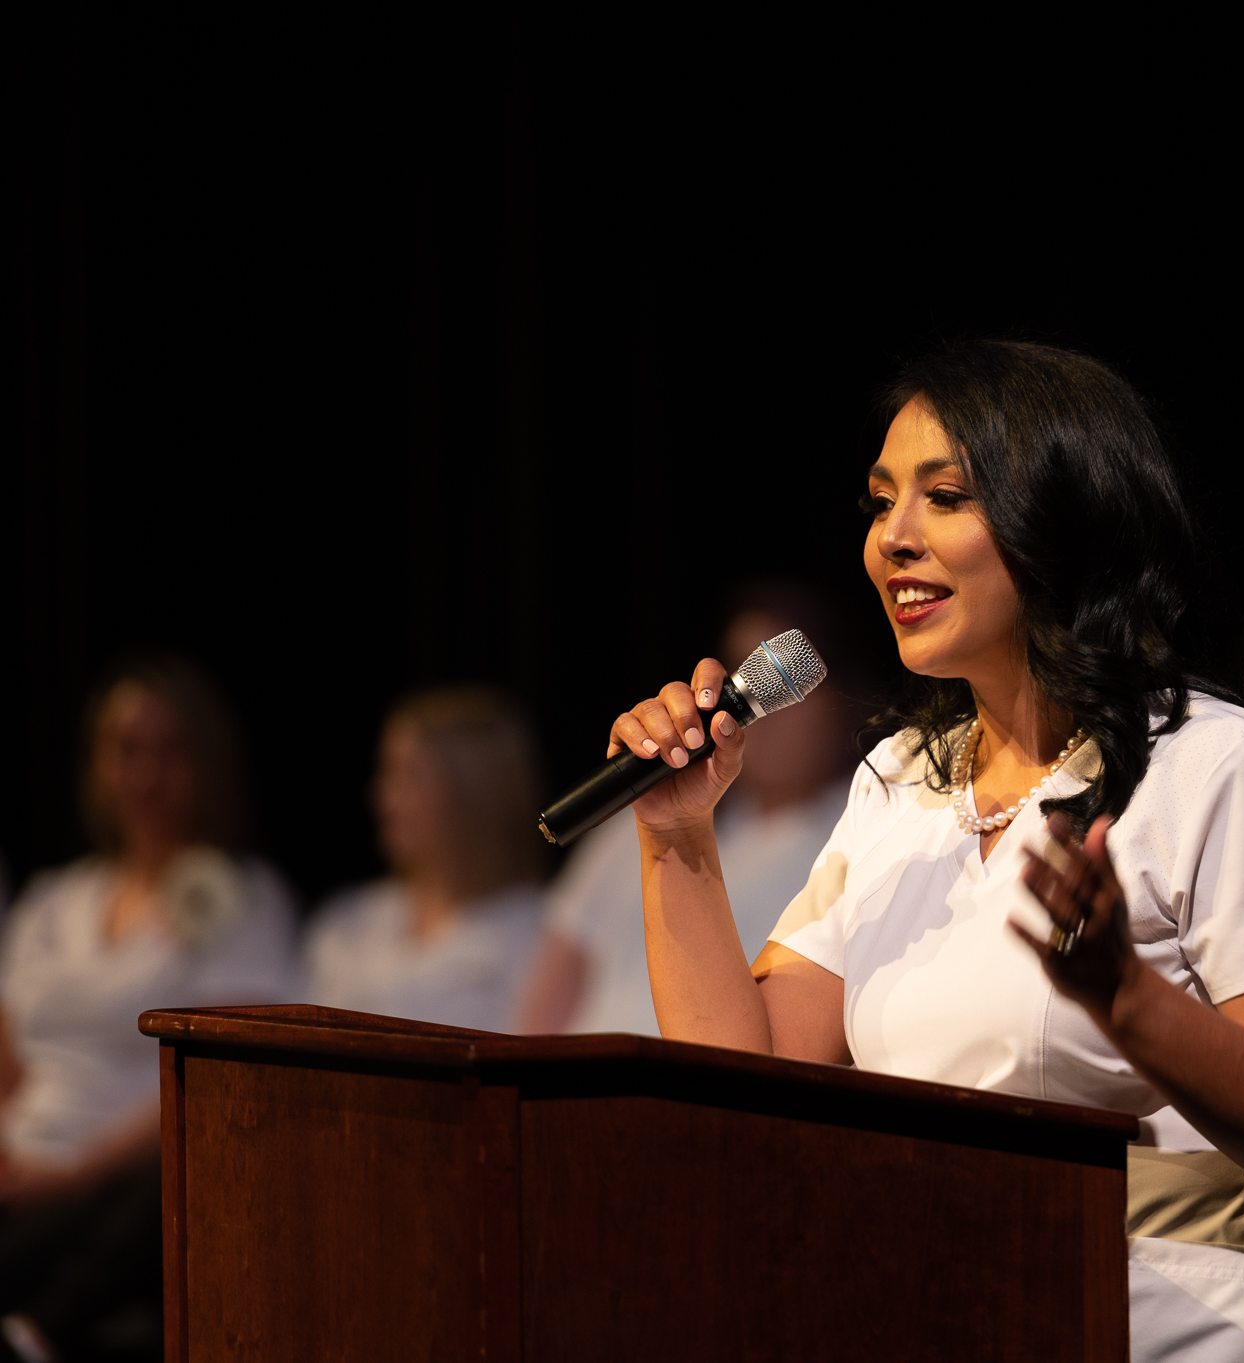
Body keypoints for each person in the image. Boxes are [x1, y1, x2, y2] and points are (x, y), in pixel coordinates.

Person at [606, 341, 1244, 1360]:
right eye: (879, 501)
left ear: (1063, 520)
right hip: (979, 1303)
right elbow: (748, 1092)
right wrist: (676, 835)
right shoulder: (898, 780)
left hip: (1213, 1330)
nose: (890, 539)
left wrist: (1128, 999)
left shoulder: (1223, 766)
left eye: (943, 498)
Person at [0, 657, 295, 1362]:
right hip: (25, 1165)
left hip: (128, 1182)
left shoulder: (242, 897)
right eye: (127, 751)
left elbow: (223, 1075)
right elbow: (8, 1056)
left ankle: (40, 1330)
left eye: (171, 751)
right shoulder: (53, 900)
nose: (147, 775)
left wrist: (73, 1172)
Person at [515, 583, 856, 1036]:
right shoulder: (636, 818)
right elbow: (548, 996)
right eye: (747, 677)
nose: (767, 714)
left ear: (836, 698)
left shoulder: (856, 829)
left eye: (781, 687)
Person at [305, 686, 546, 1033]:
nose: (383, 798)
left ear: (471, 790)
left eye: (409, 776)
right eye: (388, 773)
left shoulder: (537, 934)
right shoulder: (348, 921)